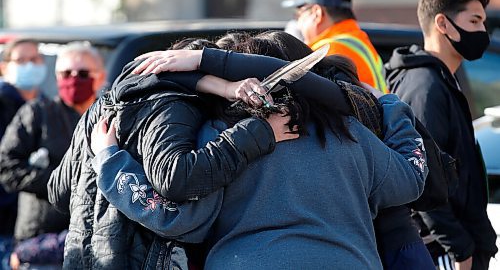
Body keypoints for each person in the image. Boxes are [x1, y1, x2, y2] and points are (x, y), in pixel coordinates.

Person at [90, 41, 428, 268]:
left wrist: (110, 162)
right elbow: (411, 178)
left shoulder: (219, 137)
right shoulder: (350, 134)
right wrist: (391, 105)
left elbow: (179, 218)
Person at [47, 37, 355, 268]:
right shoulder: (175, 104)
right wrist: (260, 132)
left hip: (81, 259)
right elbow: (177, 178)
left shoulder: (101, 109)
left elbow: (59, 191)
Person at [384, 0, 498, 269]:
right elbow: (423, 177)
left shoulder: (442, 80)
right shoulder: (425, 87)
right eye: (474, 20)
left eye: (483, 21)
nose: (482, 31)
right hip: (442, 252)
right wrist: (459, 249)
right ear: (442, 24)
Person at [0, 41, 106, 269]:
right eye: (67, 73)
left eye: (83, 73)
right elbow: (6, 167)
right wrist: (60, 181)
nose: (74, 78)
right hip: (39, 244)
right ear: (57, 77)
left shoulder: (109, 117)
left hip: (96, 241)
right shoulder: (36, 113)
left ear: (100, 77)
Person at [282, 0, 388, 93]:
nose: (298, 22)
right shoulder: (359, 42)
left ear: (317, 13)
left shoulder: (326, 52)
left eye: (298, 14)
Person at [0, 38, 47, 268]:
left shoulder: (47, 105)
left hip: (37, 227)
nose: (29, 66)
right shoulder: (3, 105)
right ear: (4, 66)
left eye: (34, 59)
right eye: (21, 60)